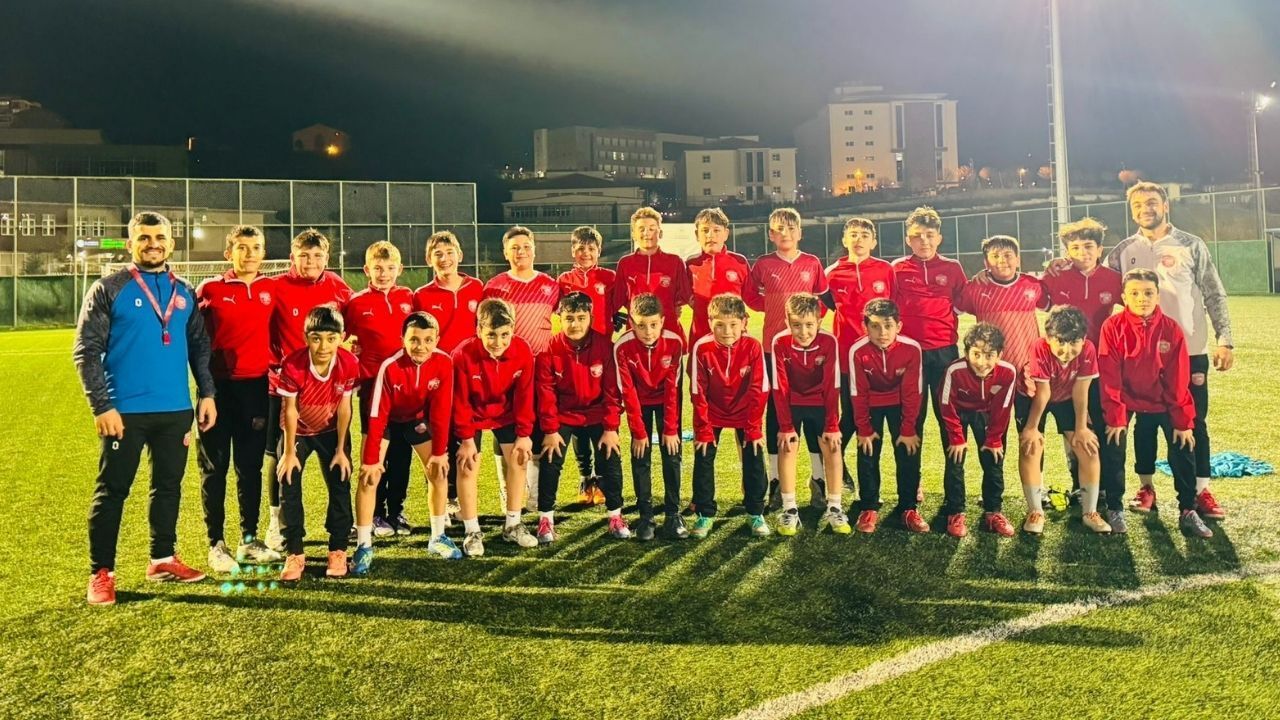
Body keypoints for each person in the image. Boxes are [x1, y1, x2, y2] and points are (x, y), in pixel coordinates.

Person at [76, 211, 217, 605]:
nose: (153, 244)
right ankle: (101, 572)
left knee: (168, 487)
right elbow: (86, 350)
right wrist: (102, 406)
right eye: (144, 238)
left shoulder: (184, 291)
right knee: (112, 490)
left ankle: (162, 558)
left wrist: (206, 393)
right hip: (124, 412)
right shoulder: (109, 288)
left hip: (175, 409)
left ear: (171, 244)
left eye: (160, 238)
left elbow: (199, 346)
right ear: (130, 243)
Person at [1107, 182, 1232, 520]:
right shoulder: (1123, 250)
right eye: (1137, 204)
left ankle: (1200, 491)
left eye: (1151, 202)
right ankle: (1146, 488)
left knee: (1194, 422)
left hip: (1189, 350)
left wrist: (1224, 339)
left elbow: (1214, 293)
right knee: (1144, 423)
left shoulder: (1191, 245)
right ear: (1131, 210)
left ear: (1166, 206)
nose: (1144, 209)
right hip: (1139, 356)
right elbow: (1099, 282)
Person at [1098, 269, 1212, 538]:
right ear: (1124, 297)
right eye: (1135, 293)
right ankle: (1114, 506)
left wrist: (1182, 421)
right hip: (1127, 399)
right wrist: (1116, 417)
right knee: (1113, 441)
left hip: (1163, 400)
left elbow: (1178, 379)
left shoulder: (1171, 329)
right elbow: (1110, 377)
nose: (1142, 298)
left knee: (1184, 441)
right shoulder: (1112, 327)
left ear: (1158, 296)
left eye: (1148, 293)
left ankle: (1188, 509)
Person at [195, 225, 281, 573]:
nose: (249, 254)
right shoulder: (210, 289)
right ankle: (216, 543)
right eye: (242, 248)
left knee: (250, 467)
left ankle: (249, 540)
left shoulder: (271, 289)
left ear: (264, 253)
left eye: (256, 247)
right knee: (214, 468)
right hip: (216, 390)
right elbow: (193, 340)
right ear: (228, 253)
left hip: (256, 389)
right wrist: (204, 389)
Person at [264, 229, 353, 552]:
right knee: (279, 455)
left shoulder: (338, 287)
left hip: (329, 392)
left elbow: (351, 328)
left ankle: (342, 522)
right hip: (286, 389)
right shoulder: (276, 287)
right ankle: (275, 522)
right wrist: (275, 363)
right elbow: (260, 327)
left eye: (317, 256)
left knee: (337, 454)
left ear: (326, 258)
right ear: (292, 258)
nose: (311, 261)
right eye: (304, 255)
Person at [355, 312, 458, 575]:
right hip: (386, 421)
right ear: (402, 339)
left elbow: (441, 411)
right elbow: (377, 416)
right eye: (414, 339)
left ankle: (438, 537)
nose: (421, 346)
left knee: (438, 471)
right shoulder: (389, 367)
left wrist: (439, 453)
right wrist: (371, 460)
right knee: (368, 477)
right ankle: (363, 546)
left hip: (415, 419)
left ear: (437, 339)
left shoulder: (444, 363)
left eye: (427, 340)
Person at [743, 208, 828, 510]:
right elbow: (750, 296)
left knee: (813, 411)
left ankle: (818, 479)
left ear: (800, 232)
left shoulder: (812, 262)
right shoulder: (764, 264)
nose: (785, 234)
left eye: (791, 229)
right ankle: (776, 481)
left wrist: (810, 324)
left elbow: (823, 300)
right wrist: (770, 307)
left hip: (807, 350)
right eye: (779, 229)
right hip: (773, 349)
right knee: (775, 414)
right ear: (771, 234)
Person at [534, 292, 628, 544]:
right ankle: (545, 519)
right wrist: (551, 430)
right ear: (559, 319)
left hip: (597, 413)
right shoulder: (549, 349)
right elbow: (546, 393)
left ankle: (615, 515)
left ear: (591, 318)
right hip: (564, 415)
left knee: (611, 455)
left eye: (581, 318)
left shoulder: (605, 346)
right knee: (550, 456)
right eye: (569, 318)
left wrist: (611, 427)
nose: (575, 324)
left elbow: (612, 392)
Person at [1040, 218, 1123, 498]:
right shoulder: (1055, 276)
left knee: (1100, 421)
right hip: (1064, 365)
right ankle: (1079, 485)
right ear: (1067, 252)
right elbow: (1029, 293)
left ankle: (1105, 487)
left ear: (1100, 249)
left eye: (1088, 246)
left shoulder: (1114, 279)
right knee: (1073, 426)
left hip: (1101, 365)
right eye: (1075, 248)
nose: (1082, 253)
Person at [275, 306, 359, 581]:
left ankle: (338, 549)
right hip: (297, 432)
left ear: (341, 338)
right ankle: (294, 552)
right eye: (316, 338)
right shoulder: (293, 364)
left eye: (331, 339)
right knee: (288, 481)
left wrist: (341, 449)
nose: (323, 346)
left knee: (341, 480)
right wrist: (289, 452)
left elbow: (345, 408)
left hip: (330, 430)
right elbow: (290, 410)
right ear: (306, 338)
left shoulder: (349, 363)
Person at [452, 299, 540, 553]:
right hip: (472, 415)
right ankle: (472, 531)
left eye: (505, 335)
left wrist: (524, 434)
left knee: (519, 458)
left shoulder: (522, 351)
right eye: (491, 334)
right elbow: (460, 402)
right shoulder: (462, 354)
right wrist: (466, 439)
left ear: (513, 331)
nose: (498, 342)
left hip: (506, 414)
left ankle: (513, 525)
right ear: (479, 330)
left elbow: (524, 396)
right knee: (467, 465)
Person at [890, 206, 968, 489]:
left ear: (939, 238)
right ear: (908, 239)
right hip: (909, 355)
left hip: (945, 354)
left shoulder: (953, 268)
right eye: (917, 235)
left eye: (929, 235)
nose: (923, 240)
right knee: (910, 420)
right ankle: (911, 488)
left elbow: (964, 300)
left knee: (951, 422)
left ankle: (954, 493)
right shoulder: (896, 269)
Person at [483, 226, 560, 509]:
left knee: (537, 428)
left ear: (534, 250)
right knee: (503, 427)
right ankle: (508, 491)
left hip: (540, 371)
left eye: (526, 246)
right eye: (514, 248)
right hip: (505, 370)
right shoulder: (494, 287)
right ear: (505, 253)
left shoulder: (551, 285)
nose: (521, 252)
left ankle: (534, 494)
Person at [1020, 306, 1111, 535]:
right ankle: (1035, 511)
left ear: (1084, 339)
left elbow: (1081, 389)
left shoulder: (1089, 349)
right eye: (1060, 342)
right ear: (1048, 338)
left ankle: (1090, 512)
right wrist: (1031, 428)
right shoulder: (1039, 347)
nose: (1066, 350)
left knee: (1088, 448)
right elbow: (1043, 393)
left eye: (1074, 342)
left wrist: (1081, 428)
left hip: (1067, 396)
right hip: (1033, 396)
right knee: (1031, 447)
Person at [345, 241, 415, 537]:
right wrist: (354, 353)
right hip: (373, 390)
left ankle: (396, 510)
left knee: (401, 452)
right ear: (367, 270)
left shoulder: (408, 298)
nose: (384, 273)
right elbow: (343, 340)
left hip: (407, 388)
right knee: (375, 451)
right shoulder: (356, 303)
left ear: (400, 269)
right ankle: (373, 513)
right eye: (378, 268)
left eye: (389, 268)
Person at [413, 230, 484, 521]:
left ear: (460, 255)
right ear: (428, 259)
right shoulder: (422, 295)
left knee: (468, 439)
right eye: (438, 254)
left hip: (469, 378)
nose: (445, 259)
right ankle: (444, 501)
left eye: (449, 252)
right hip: (436, 380)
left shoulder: (477, 287)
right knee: (439, 440)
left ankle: (466, 500)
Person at [825, 217, 896, 498]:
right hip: (846, 358)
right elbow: (821, 309)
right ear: (844, 240)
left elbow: (894, 310)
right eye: (853, 234)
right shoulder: (831, 273)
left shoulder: (885, 270)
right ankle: (835, 464)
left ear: (873, 242)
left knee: (878, 418)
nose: (858, 239)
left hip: (881, 358)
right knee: (853, 416)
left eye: (865, 235)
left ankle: (889, 484)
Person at [689, 294, 770, 538]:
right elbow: (698, 391)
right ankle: (705, 513)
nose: (727, 331)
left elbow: (759, 388)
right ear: (709, 322)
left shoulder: (753, 346)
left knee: (754, 455)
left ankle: (755, 512)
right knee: (703, 455)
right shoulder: (702, 347)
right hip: (712, 412)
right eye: (720, 325)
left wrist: (754, 428)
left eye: (733, 324)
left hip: (745, 412)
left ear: (744, 322)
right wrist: (703, 429)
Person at [770, 293, 847, 535]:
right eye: (796, 325)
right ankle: (789, 509)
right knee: (787, 445)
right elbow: (780, 387)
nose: (803, 332)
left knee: (832, 445)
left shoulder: (829, 341)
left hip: (820, 401)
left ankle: (835, 507)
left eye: (809, 325)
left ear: (819, 322)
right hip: (792, 401)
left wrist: (832, 425)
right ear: (787, 322)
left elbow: (832, 385)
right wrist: (785, 426)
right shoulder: (779, 342)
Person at [848, 299, 927, 534]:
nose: (882, 333)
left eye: (888, 326)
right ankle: (869, 507)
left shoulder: (911, 348)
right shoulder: (857, 351)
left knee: (908, 450)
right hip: (871, 404)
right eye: (875, 326)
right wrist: (863, 429)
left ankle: (908, 508)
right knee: (867, 450)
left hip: (899, 403)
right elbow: (858, 393)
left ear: (898, 326)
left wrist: (908, 428)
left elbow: (913, 392)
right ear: (865, 327)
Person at [613, 293, 687, 540]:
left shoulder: (674, 343)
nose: (648, 331)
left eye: (654, 324)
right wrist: (638, 432)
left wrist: (670, 429)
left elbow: (673, 388)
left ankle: (673, 514)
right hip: (639, 403)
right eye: (641, 325)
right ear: (631, 323)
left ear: (662, 321)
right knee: (640, 455)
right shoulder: (622, 346)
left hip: (666, 402)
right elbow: (627, 390)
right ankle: (646, 516)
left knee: (672, 454)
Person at [556, 226, 618, 505]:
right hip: (573, 355)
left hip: (601, 354)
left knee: (601, 413)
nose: (585, 253)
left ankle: (602, 479)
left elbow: (620, 303)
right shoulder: (564, 280)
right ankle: (585, 477)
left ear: (599, 251)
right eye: (580, 248)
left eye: (591, 248)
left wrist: (616, 318)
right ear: (573, 250)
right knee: (578, 418)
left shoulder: (609, 277)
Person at [938, 323, 1018, 538]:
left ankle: (993, 512)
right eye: (976, 354)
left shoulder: (1008, 372)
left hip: (986, 414)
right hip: (958, 414)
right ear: (966, 353)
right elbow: (946, 405)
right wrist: (956, 437)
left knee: (994, 459)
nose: (982, 362)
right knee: (955, 461)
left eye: (990, 355)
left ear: (1000, 355)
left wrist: (994, 439)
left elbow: (1003, 408)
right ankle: (955, 512)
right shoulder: (954, 370)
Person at [612, 207, 692, 342]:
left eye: (652, 229)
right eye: (641, 229)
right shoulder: (625, 263)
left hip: (669, 332)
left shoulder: (675, 261)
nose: (646, 233)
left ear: (660, 233)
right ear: (633, 234)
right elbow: (618, 299)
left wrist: (673, 307)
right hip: (637, 333)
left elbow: (685, 295)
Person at [686, 207, 749, 347]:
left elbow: (750, 296)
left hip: (733, 337)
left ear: (726, 234)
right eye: (705, 230)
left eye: (716, 230)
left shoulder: (739, 262)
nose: (710, 235)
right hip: (700, 336)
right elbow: (682, 296)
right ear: (697, 234)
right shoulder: (691, 264)